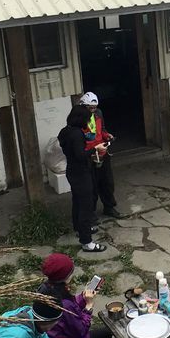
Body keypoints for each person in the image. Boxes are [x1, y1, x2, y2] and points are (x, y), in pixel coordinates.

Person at [38, 253, 123, 338]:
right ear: (67, 275)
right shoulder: (63, 303)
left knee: (108, 332)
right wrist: (89, 306)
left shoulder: (48, 288)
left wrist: (83, 297)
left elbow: (71, 307)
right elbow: (81, 330)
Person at [58, 104, 107, 252]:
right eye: (86, 119)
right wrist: (96, 148)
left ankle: (79, 228)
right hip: (81, 173)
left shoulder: (65, 131)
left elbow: (72, 152)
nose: (87, 122)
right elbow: (80, 155)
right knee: (85, 206)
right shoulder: (77, 134)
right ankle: (87, 242)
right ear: (80, 119)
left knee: (77, 202)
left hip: (71, 171)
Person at [79, 92, 123, 219]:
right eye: (90, 108)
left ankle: (109, 207)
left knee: (107, 182)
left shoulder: (98, 113)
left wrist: (107, 135)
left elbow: (102, 129)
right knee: (91, 186)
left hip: (102, 152)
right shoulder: (79, 119)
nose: (93, 110)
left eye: (95, 107)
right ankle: (90, 213)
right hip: (89, 154)